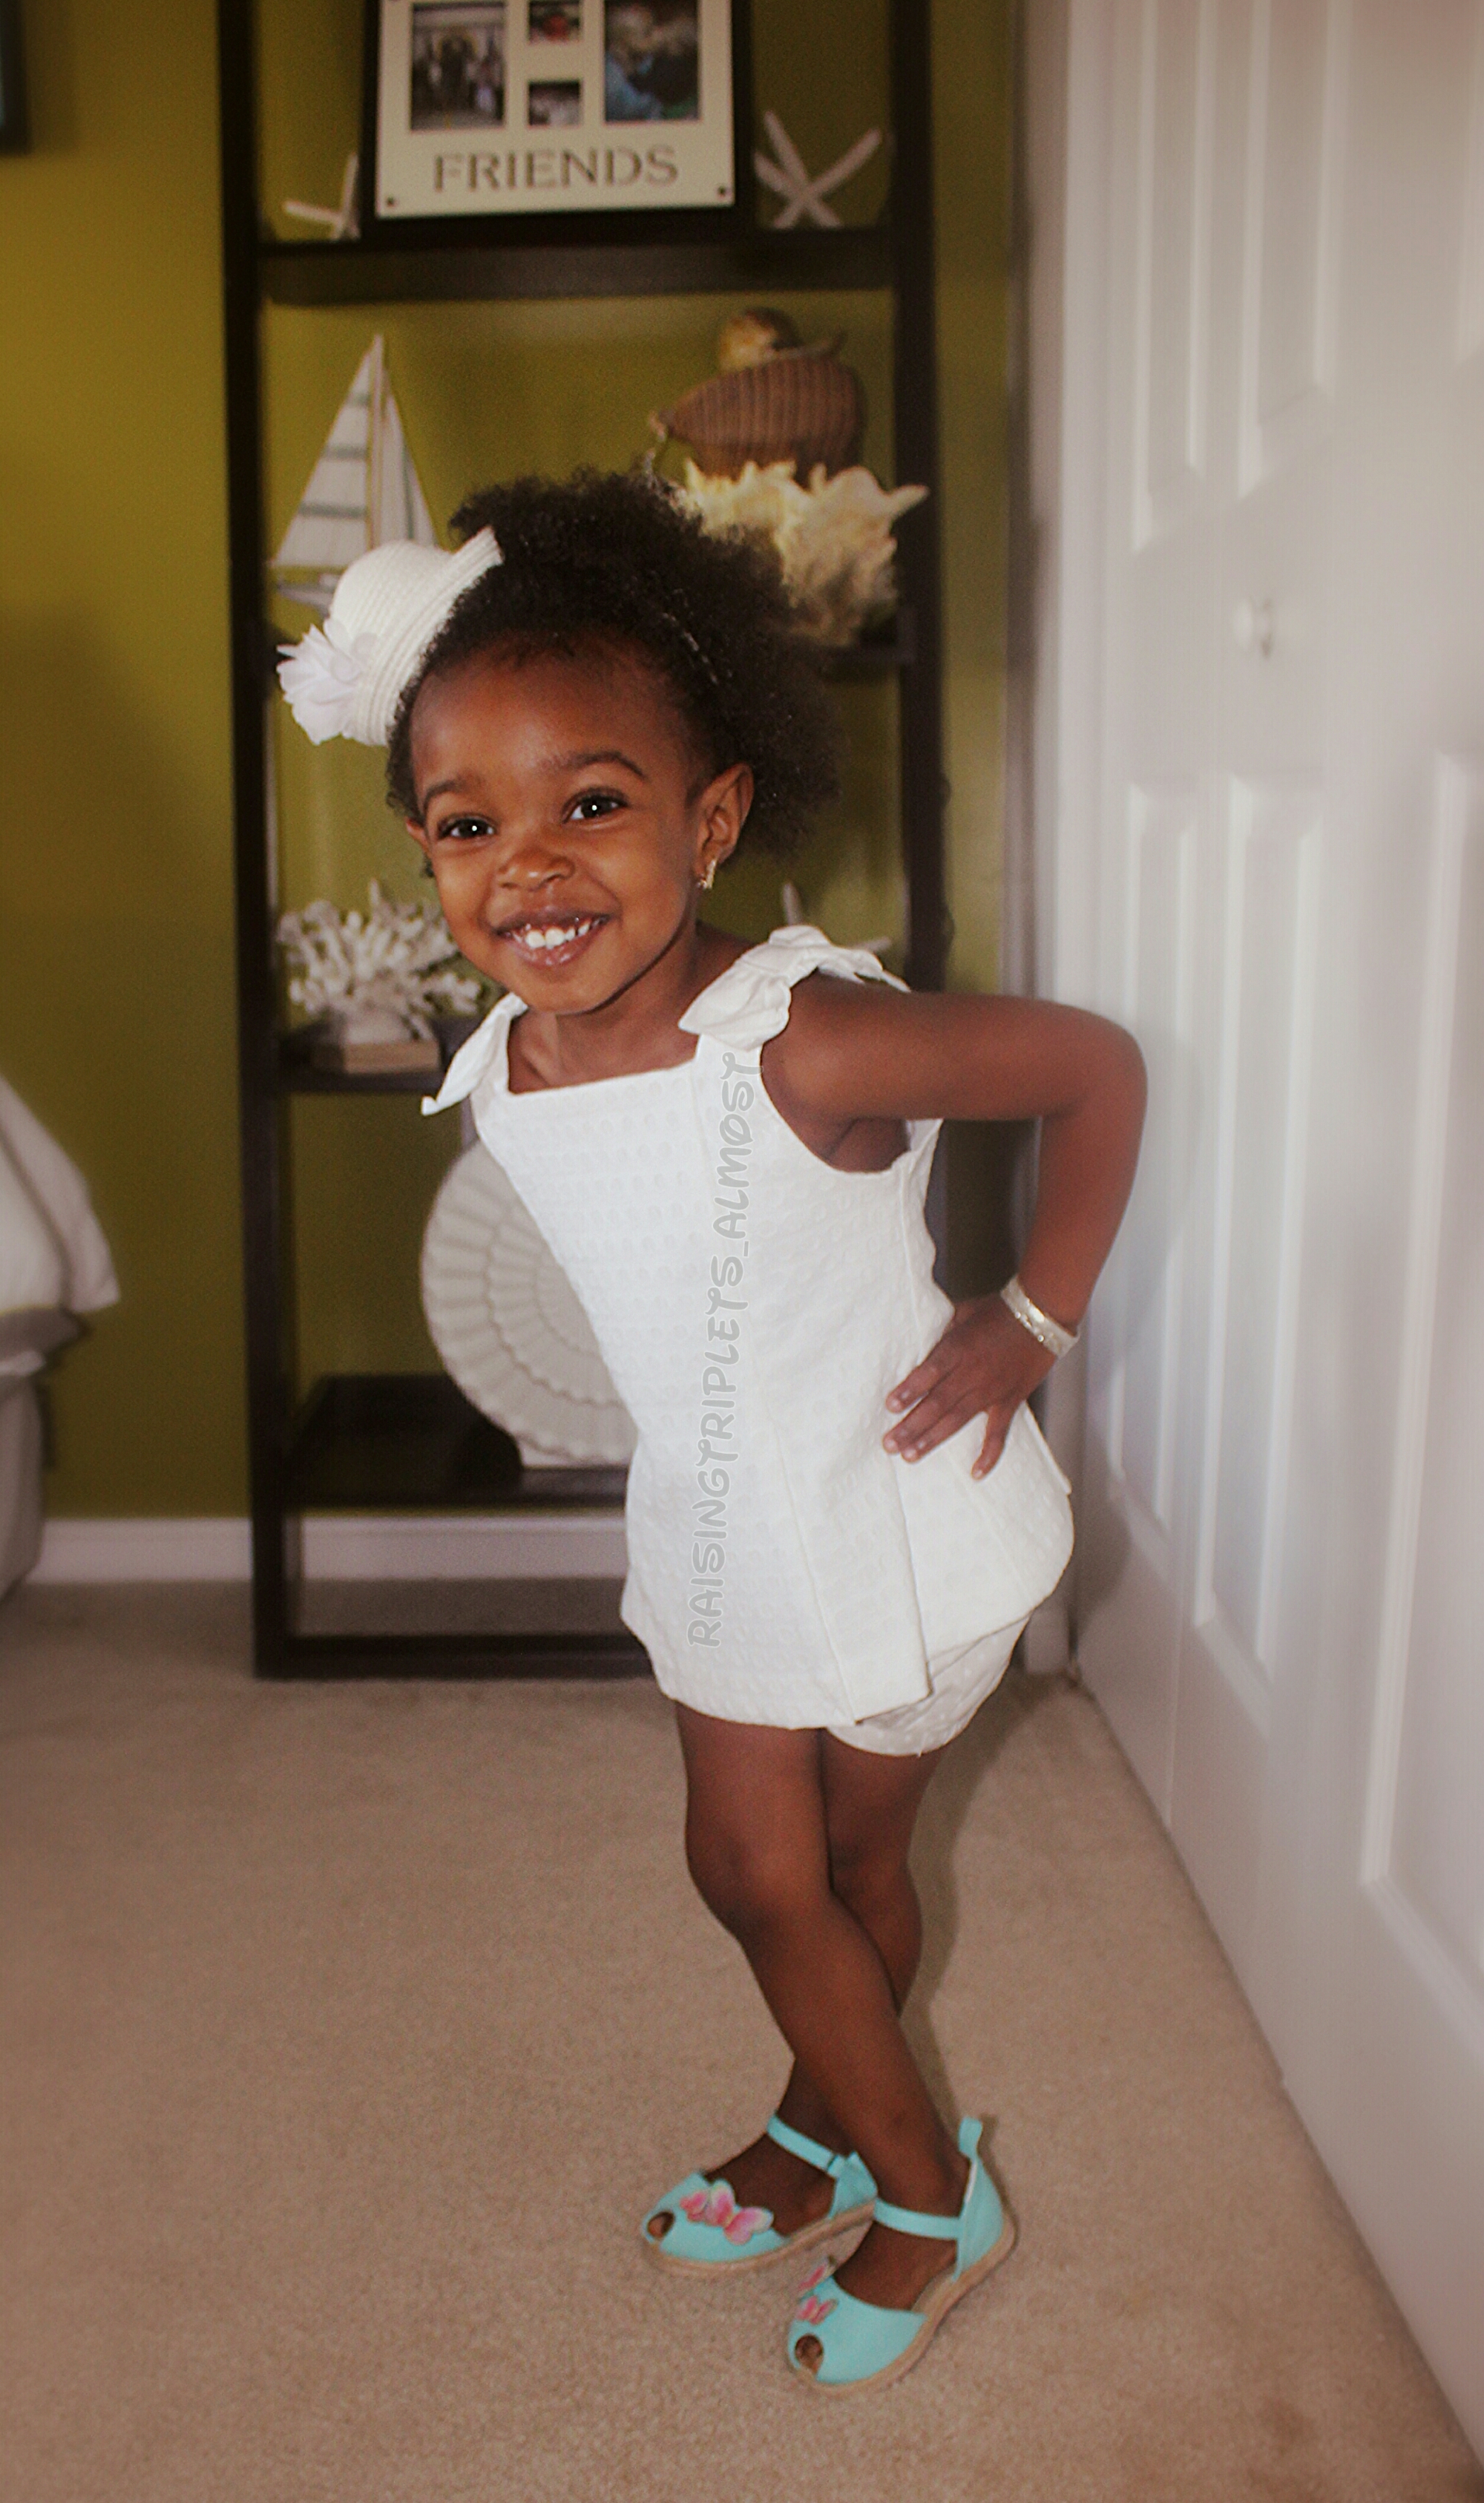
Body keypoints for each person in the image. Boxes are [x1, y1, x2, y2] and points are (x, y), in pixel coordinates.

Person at [278, 471, 1146, 2393]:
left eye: (591, 803)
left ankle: (931, 2196)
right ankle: (829, 2124)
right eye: (468, 825)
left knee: (796, 1873)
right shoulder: (508, 1059)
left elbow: (1094, 1072)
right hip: (726, 1529)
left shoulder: (802, 1039)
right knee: (781, 1875)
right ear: (422, 852)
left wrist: (1030, 1320)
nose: (531, 868)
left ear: (715, 815)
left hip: (900, 1527)